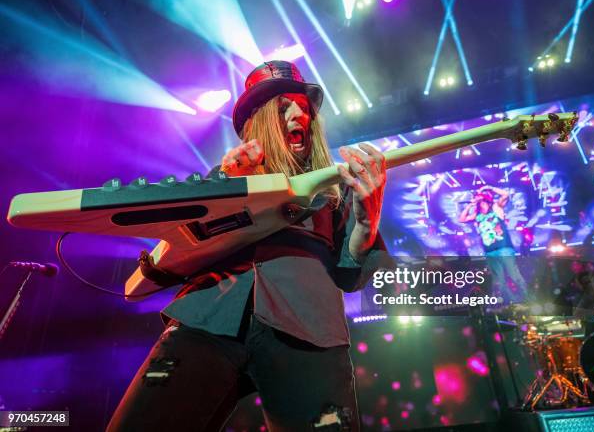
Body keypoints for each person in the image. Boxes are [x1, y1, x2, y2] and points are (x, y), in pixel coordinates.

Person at [107, 60, 389, 432]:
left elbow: (352, 276)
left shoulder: (331, 196)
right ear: (257, 122)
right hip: (209, 316)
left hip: (310, 331)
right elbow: (178, 244)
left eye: (303, 107)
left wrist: (366, 225)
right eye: (283, 106)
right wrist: (223, 183)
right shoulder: (226, 174)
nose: (298, 114)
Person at [458, 186, 528, 304]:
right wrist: (470, 205)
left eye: (478, 197)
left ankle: (528, 298)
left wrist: (489, 187)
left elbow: (505, 194)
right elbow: (462, 219)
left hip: (503, 248)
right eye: (475, 197)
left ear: (485, 198)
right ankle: (514, 302)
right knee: (500, 281)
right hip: (490, 251)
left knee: (513, 275)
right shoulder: (477, 215)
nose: (477, 199)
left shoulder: (496, 208)